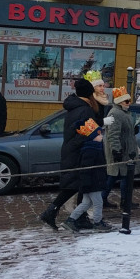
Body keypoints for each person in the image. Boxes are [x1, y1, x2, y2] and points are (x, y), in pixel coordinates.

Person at [39, 75, 104, 230]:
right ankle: (52, 212)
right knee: (74, 185)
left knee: (78, 185)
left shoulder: (75, 107)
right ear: (89, 93)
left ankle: (77, 218)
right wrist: (96, 137)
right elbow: (86, 134)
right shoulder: (85, 110)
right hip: (79, 153)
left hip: (72, 150)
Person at [61, 118, 113, 233]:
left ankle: (70, 220)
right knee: (98, 203)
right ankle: (98, 222)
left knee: (86, 203)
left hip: (93, 181)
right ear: (92, 137)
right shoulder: (90, 150)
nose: (102, 136)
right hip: (92, 182)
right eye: (99, 134)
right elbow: (85, 169)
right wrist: (87, 183)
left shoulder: (95, 148)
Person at [102, 86, 139, 209]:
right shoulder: (116, 113)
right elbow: (113, 134)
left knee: (122, 176)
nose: (129, 103)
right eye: (127, 101)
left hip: (126, 149)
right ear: (120, 102)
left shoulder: (123, 112)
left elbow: (123, 130)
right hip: (121, 150)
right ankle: (107, 199)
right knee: (115, 176)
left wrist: (133, 130)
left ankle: (124, 200)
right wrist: (116, 150)